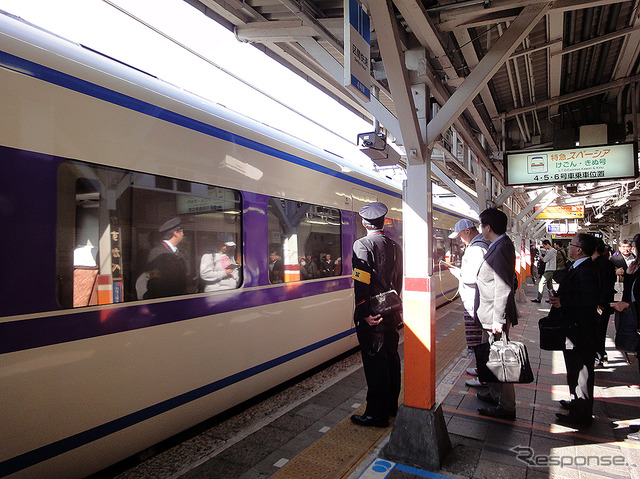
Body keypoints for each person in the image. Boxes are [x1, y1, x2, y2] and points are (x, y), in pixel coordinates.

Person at [350, 201, 402, 428]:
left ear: (364, 223)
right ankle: (391, 407)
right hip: (390, 311)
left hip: (373, 315)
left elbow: (361, 283)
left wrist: (363, 313)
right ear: (384, 222)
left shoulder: (362, 245)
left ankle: (376, 414)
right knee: (391, 359)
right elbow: (398, 280)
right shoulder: (394, 245)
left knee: (375, 364)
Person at [549, 233, 599, 426]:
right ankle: (576, 403)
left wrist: (563, 301)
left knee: (581, 370)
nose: (568, 247)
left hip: (580, 331)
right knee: (574, 369)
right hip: (574, 328)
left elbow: (589, 299)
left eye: (571, 244)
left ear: (579, 250)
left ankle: (582, 415)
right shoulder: (579, 267)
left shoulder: (586, 269)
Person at [474, 208, 518, 420]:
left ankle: (507, 406)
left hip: (495, 316)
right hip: (491, 314)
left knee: (501, 359)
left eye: (481, 225)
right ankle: (494, 394)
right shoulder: (501, 245)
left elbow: (502, 285)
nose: (480, 229)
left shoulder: (501, 248)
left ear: (488, 227)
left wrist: (498, 319)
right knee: (493, 356)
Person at [447, 218, 490, 387]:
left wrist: (458, 274)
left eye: (459, 235)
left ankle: (484, 376)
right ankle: (481, 369)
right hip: (477, 299)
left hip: (476, 300)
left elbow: (473, 277)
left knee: (479, 340)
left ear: (467, 231)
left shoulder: (477, 248)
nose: (459, 239)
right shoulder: (479, 245)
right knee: (480, 339)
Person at [145, 217, 189, 299]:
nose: (183, 234)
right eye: (182, 231)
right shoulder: (157, 252)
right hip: (165, 300)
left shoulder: (179, 252)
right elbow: (154, 281)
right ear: (176, 233)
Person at [592, 238, 617, 367]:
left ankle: (598, 357)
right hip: (602, 303)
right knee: (599, 330)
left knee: (597, 330)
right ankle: (599, 355)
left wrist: (600, 302)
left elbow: (606, 285)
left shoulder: (599, 264)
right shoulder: (606, 263)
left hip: (599, 304)